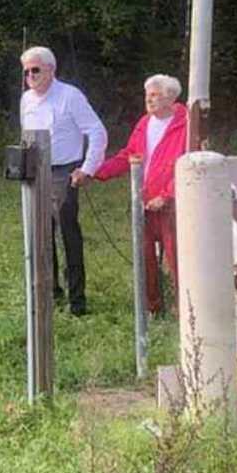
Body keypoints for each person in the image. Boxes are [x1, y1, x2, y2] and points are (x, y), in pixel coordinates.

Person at [19, 46, 108, 315]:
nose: (31, 76)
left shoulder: (70, 96)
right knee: (39, 235)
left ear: (51, 70)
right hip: (35, 171)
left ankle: (77, 300)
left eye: (36, 70)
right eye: (26, 72)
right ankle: (49, 292)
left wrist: (87, 168)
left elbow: (97, 131)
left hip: (64, 172)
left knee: (68, 234)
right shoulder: (26, 99)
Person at [94, 74, 189, 316]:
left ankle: (186, 309)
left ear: (171, 97)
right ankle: (152, 308)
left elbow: (188, 164)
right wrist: (97, 171)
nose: (149, 99)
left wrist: (167, 196)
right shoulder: (145, 123)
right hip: (144, 202)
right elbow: (129, 154)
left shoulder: (187, 125)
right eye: (147, 94)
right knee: (144, 257)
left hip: (172, 205)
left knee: (178, 258)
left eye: (155, 94)